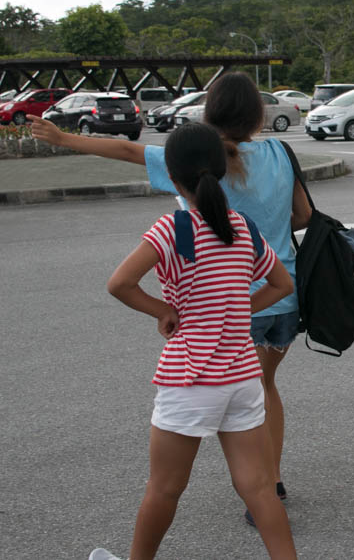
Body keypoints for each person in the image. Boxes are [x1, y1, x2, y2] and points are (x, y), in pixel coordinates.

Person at [29, 72, 311, 523]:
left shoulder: (198, 155)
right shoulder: (282, 151)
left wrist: (62, 138)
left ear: (210, 110)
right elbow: (304, 215)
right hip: (283, 297)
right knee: (265, 387)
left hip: (226, 305)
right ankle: (269, 482)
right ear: (257, 115)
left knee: (234, 394)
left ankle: (260, 492)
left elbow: (124, 149)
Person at [90, 123, 297, 560]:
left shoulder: (177, 229)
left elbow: (120, 284)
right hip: (242, 377)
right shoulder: (242, 227)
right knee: (260, 490)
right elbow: (281, 284)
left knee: (164, 489)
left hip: (191, 379)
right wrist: (237, 308)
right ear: (222, 169)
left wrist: (164, 311)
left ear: (171, 173)